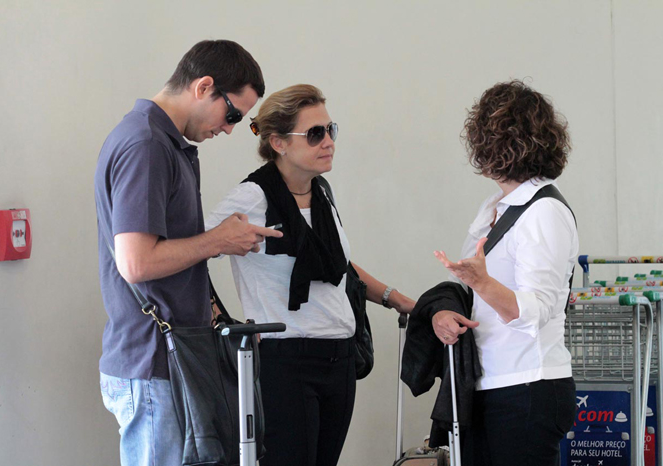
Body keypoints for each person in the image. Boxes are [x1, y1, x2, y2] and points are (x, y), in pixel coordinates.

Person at [206, 84, 416, 466]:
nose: (328, 142)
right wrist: (216, 319)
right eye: (315, 133)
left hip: (339, 358)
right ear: (279, 143)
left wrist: (395, 298)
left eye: (330, 130)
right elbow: (195, 249)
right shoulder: (253, 198)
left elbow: (338, 267)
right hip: (287, 362)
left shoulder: (321, 193)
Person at [94, 39, 283, 466]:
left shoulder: (160, 141)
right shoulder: (146, 144)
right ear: (203, 87)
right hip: (154, 362)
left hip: (167, 359)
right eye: (232, 114)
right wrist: (217, 240)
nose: (230, 128)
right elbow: (136, 262)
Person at [432, 80, 578, 466]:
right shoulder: (497, 206)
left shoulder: (543, 211)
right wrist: (447, 312)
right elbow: (478, 296)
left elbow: (535, 310)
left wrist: (482, 281)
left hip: (527, 386)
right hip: (495, 382)